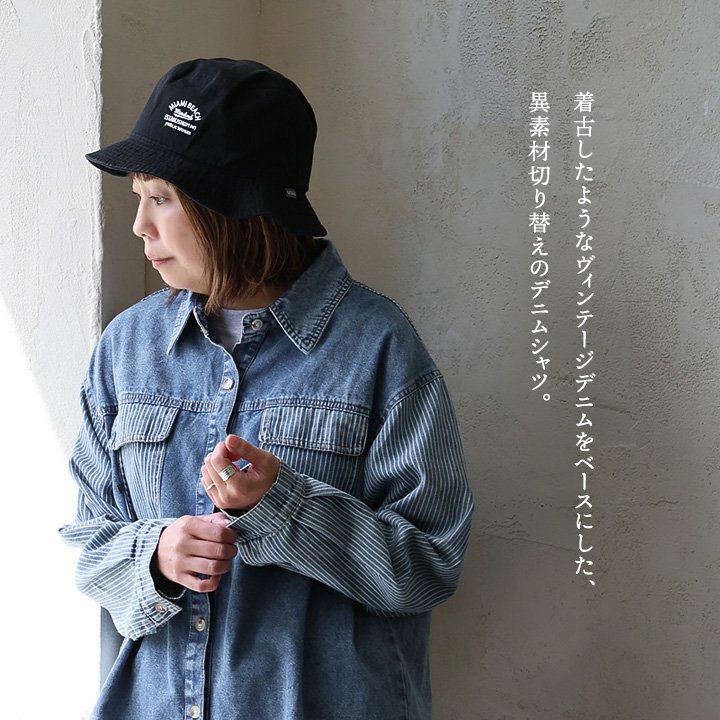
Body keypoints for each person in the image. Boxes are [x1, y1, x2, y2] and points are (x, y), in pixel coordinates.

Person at [58, 57, 475, 720]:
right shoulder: (126, 348)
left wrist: (284, 509)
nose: (140, 225)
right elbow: (89, 544)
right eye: (139, 195)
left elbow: (428, 564)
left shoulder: (377, 346)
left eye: (161, 197)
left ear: (234, 207)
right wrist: (156, 554)